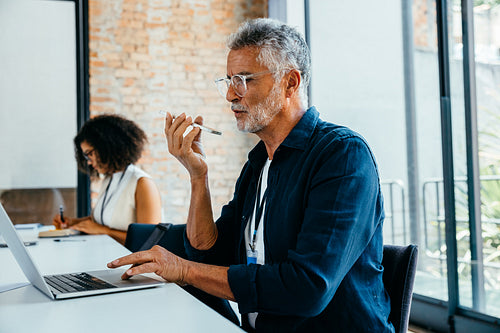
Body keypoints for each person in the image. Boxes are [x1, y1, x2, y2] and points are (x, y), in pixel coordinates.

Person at [108, 18, 393, 332]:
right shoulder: (259, 164)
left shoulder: (342, 156)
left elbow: (308, 289)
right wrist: (197, 175)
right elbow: (208, 254)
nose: (231, 95)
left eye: (244, 79)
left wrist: (183, 270)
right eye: (229, 80)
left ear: (291, 83)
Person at [53, 114, 162, 244]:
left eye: (90, 154)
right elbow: (102, 220)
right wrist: (74, 222)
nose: (88, 162)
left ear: (108, 146)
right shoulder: (109, 179)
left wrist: (104, 231)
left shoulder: (142, 183)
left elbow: (150, 239)